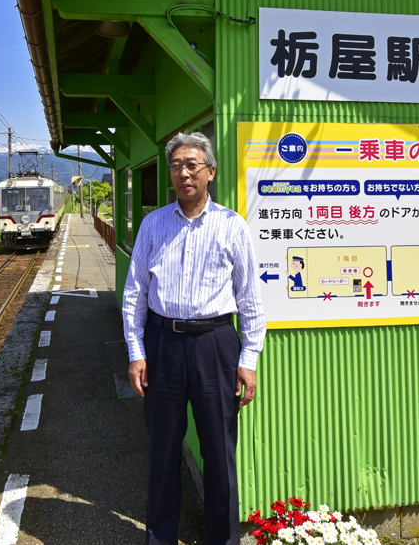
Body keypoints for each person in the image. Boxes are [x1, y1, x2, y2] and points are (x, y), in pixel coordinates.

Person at [121, 131, 266, 545]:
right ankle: (160, 539)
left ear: (210, 172)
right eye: (177, 166)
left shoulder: (232, 225)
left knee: (219, 454)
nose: (184, 173)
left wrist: (249, 358)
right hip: (162, 344)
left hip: (216, 345)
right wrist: (136, 351)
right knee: (163, 452)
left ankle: (223, 540)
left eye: (192, 165)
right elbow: (135, 294)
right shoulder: (153, 224)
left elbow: (249, 297)